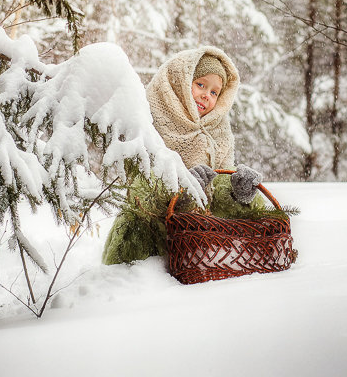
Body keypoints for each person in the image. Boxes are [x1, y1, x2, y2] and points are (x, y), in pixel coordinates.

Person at [101, 46, 265, 265]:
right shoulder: (149, 120)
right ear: (180, 82)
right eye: (200, 85)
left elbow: (217, 192)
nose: (207, 95)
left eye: (215, 92)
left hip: (197, 250)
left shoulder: (218, 131)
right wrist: (180, 192)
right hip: (147, 249)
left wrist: (237, 193)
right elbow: (137, 193)